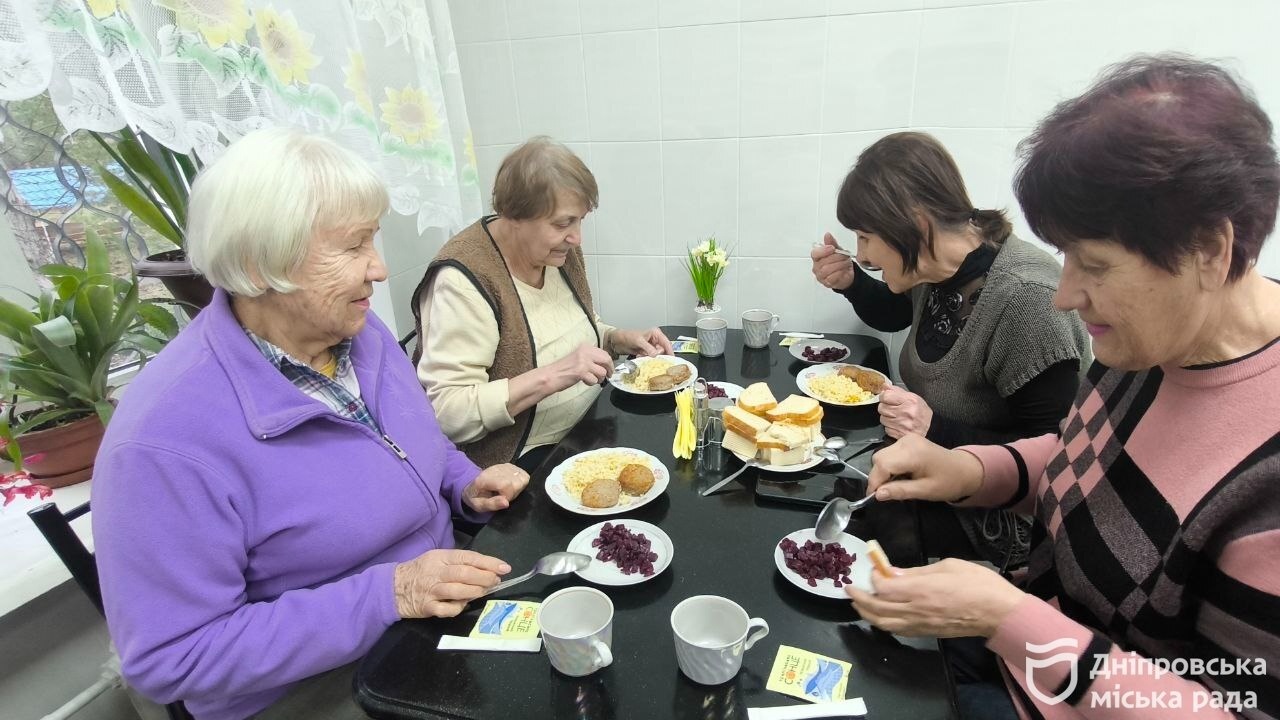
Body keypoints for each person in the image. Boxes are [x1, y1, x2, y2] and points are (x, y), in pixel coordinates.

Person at [850, 55, 1280, 720]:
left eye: (1096, 266)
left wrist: (1006, 617)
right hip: (1020, 648)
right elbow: (1080, 455)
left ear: (1209, 251)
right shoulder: (1156, 342)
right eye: (1067, 257)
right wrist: (965, 469)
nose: (1064, 295)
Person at [92, 127, 529, 720]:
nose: (378, 268)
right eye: (352, 247)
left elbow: (407, 442)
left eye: (372, 240)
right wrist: (390, 593)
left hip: (426, 618)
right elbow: (174, 656)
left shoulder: (357, 332)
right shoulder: (161, 443)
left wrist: (461, 481)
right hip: (317, 687)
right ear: (258, 263)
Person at [810, 131, 1091, 567]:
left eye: (866, 237)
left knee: (852, 555)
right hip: (930, 473)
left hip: (999, 524)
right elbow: (897, 313)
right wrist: (852, 283)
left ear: (915, 225)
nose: (861, 254)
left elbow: (1055, 457)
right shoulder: (936, 267)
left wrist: (935, 430)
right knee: (810, 495)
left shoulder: (1025, 299)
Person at [413, 137, 672, 472]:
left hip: (587, 428)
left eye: (580, 219)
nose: (576, 237)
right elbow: (447, 413)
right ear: (513, 216)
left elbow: (567, 328)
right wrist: (554, 375)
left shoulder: (557, 251)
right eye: (563, 223)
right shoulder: (463, 281)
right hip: (519, 460)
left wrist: (616, 338)